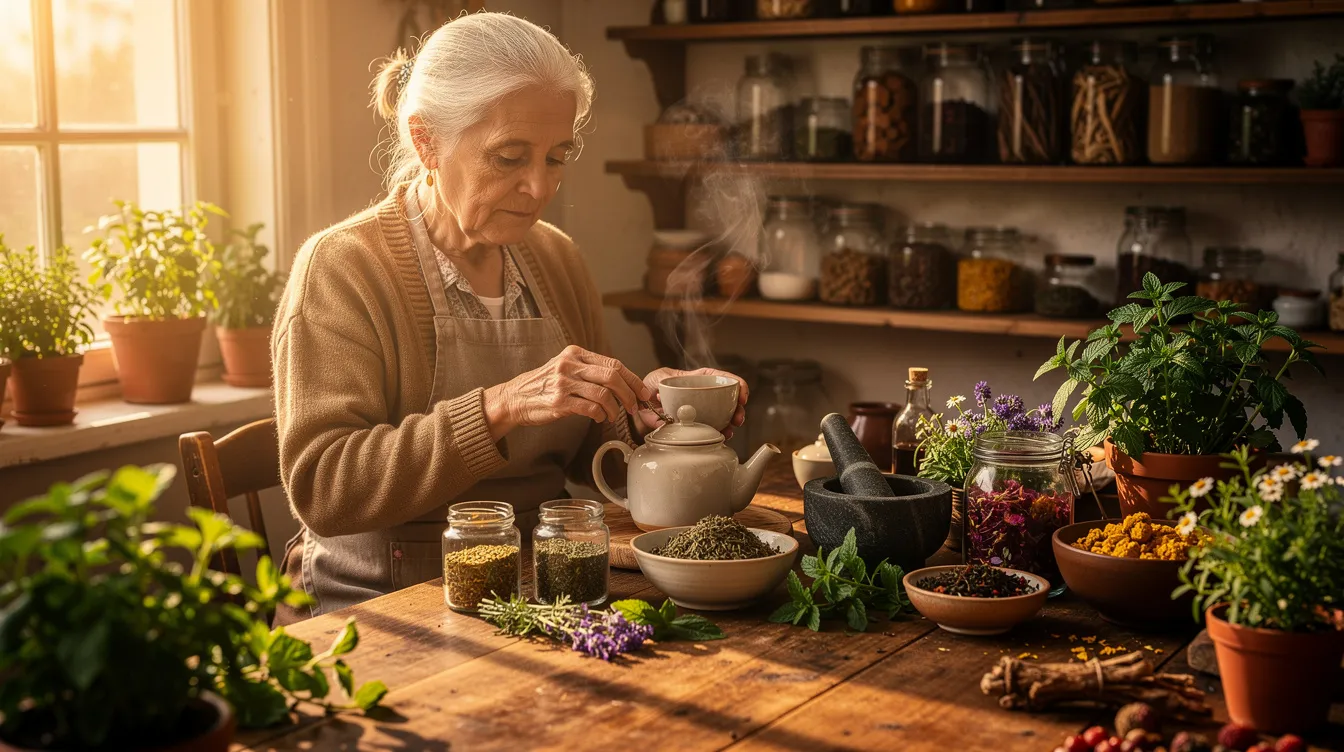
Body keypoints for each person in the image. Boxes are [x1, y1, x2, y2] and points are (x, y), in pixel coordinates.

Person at [271, 12, 746, 624]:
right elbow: (323, 488)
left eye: (556, 157)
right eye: (509, 157)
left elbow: (584, 458)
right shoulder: (341, 268)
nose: (540, 187)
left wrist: (643, 414)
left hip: (541, 587)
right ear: (426, 142)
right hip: (380, 603)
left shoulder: (556, 258)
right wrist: (500, 407)